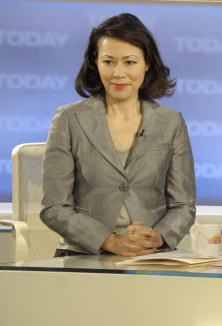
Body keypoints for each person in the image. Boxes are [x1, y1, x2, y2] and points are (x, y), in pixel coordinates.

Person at [41, 13, 196, 257]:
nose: (118, 73)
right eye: (108, 61)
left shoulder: (171, 122)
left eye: (129, 62)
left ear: (147, 64)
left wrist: (158, 237)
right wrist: (111, 242)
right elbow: (55, 207)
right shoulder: (69, 119)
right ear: (96, 62)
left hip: (150, 255)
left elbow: (183, 205)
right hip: (83, 255)